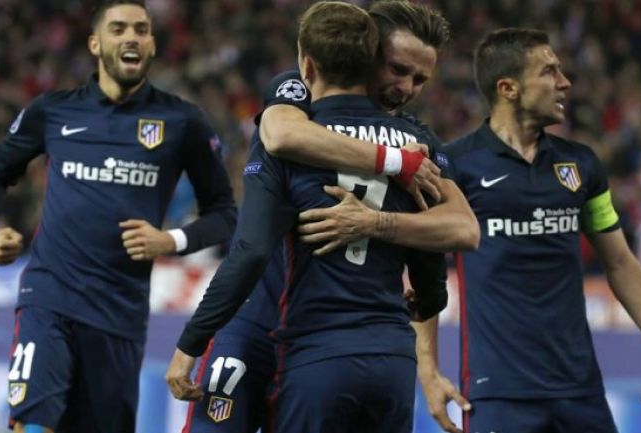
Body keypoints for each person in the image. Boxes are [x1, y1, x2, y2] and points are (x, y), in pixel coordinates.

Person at [303, 27, 641, 433]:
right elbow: (426, 270)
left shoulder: (582, 166)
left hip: (580, 390)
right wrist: (429, 369)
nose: (565, 82)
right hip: (496, 393)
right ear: (508, 87)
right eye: (549, 71)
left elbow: (619, 261)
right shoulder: (457, 167)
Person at [165, 2, 478, 432]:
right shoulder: (300, 94)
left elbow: (456, 234)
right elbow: (280, 132)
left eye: (420, 79)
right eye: (398, 69)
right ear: (368, 54)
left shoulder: (419, 142)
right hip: (255, 324)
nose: (406, 87)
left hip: (313, 338)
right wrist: (393, 161)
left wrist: (374, 223)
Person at [0, 1, 237, 432]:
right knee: (31, 422)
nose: (131, 36)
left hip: (120, 313)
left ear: (152, 45)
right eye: (118, 28)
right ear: (96, 43)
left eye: (141, 29)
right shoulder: (54, 111)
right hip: (49, 296)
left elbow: (224, 214)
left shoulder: (182, 121)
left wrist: (169, 241)